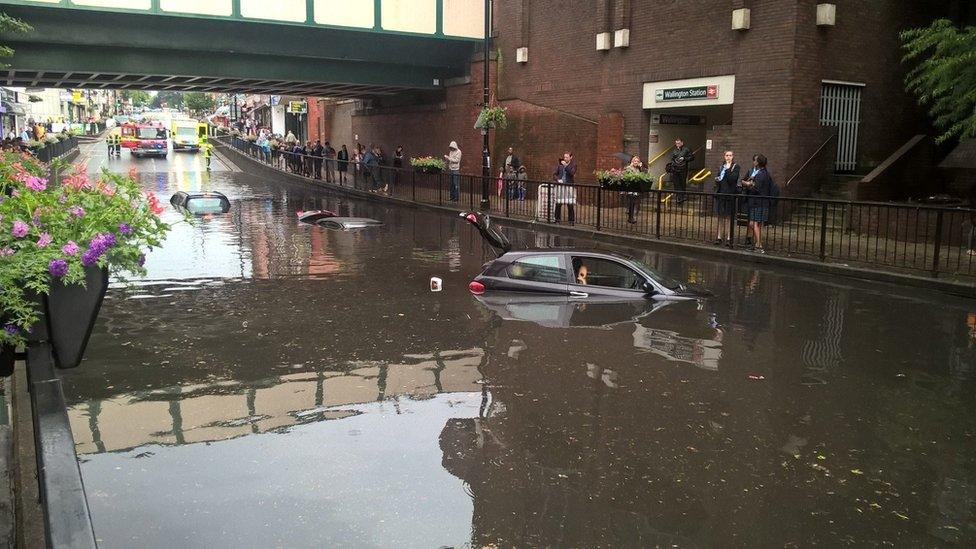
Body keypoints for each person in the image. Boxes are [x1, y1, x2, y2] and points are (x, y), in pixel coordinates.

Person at [742, 154, 774, 254]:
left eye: (755, 160)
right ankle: (757, 244)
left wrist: (748, 184)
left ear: (759, 162)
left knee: (756, 224)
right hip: (761, 202)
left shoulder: (761, 174)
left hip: (758, 202)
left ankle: (759, 246)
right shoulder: (765, 173)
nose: (754, 162)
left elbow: (756, 188)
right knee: (754, 223)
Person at [713, 150, 741, 246]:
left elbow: (732, 179)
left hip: (730, 195)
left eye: (730, 155)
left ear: (733, 157)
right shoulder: (721, 167)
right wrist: (717, 180)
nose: (728, 157)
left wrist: (728, 169)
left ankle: (729, 237)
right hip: (721, 194)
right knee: (720, 216)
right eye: (727, 155)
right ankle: (719, 236)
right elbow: (719, 179)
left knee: (729, 217)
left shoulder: (735, 167)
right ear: (724, 156)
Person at [552, 152, 577, 224]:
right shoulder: (560, 166)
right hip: (560, 186)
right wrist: (557, 179)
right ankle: (557, 220)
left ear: (571, 157)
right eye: (564, 157)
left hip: (569, 186)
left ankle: (571, 221)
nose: (565, 158)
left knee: (570, 204)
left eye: (567, 157)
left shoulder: (573, 165)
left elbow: (572, 173)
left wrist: (566, 166)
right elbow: (554, 174)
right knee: (558, 203)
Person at [669, 138, 694, 204]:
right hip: (675, 169)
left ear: (682, 143)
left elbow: (692, 157)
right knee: (676, 183)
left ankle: (682, 196)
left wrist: (684, 158)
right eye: (676, 143)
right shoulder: (674, 151)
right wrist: (674, 163)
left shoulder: (686, 149)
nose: (677, 144)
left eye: (679, 143)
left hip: (683, 169)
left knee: (682, 183)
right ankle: (679, 197)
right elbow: (672, 159)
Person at [623, 155, 645, 224]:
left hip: (636, 189)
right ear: (632, 161)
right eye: (635, 161)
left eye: (637, 161)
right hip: (630, 189)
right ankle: (631, 217)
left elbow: (642, 176)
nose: (636, 162)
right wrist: (630, 167)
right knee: (631, 203)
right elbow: (625, 175)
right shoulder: (628, 168)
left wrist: (641, 168)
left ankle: (632, 216)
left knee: (635, 203)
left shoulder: (638, 169)